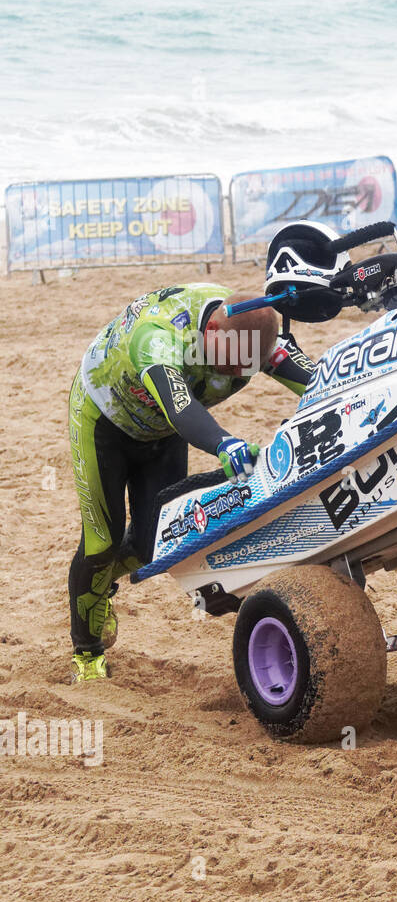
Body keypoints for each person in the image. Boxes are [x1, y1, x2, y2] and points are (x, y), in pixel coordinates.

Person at [68, 285, 316, 681]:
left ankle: (102, 582)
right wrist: (224, 443)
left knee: (155, 545)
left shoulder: (254, 337)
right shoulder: (160, 336)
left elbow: (318, 382)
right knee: (103, 543)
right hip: (104, 421)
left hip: (160, 431)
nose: (238, 374)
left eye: (249, 368)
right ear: (212, 331)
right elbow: (181, 406)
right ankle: (87, 651)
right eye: (233, 364)